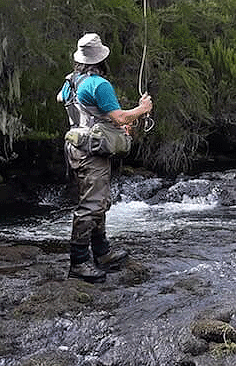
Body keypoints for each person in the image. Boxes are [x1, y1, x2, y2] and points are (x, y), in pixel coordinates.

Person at [57, 33, 153, 283]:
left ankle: (102, 252)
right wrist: (143, 109)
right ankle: (78, 262)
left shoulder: (71, 81)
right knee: (91, 205)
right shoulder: (99, 84)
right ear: (101, 59)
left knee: (97, 200)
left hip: (76, 147)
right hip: (92, 152)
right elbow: (120, 117)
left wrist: (100, 121)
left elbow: (64, 100)